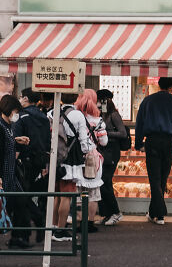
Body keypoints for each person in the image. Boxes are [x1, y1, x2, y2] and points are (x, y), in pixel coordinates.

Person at [52, 91, 107, 239]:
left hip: (55, 158)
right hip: (71, 160)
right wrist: (87, 151)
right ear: (75, 98)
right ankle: (60, 231)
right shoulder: (77, 116)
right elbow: (84, 141)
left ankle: (53, 226)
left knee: (55, 195)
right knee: (66, 195)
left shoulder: (53, 112)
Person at [134, 76, 172, 225]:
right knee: (163, 177)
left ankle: (157, 213)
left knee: (154, 178)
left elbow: (139, 123)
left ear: (159, 85)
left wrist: (139, 143)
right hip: (169, 142)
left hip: (152, 141)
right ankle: (159, 214)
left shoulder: (148, 101)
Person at [0, 93, 32, 250]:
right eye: (15, 111)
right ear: (8, 109)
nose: (16, 115)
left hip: (10, 175)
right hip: (3, 176)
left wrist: (18, 140)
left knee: (15, 204)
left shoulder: (7, 127)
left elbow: (6, 146)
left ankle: (16, 237)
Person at [15, 87, 52, 241]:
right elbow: (47, 140)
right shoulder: (43, 117)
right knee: (26, 193)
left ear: (26, 99)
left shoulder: (21, 116)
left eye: (21, 97)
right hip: (39, 160)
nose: (19, 99)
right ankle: (29, 228)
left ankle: (35, 222)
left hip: (24, 160)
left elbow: (17, 140)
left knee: (21, 195)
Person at [96, 89, 129, 226]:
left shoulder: (114, 115)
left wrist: (105, 133)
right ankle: (107, 214)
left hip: (111, 151)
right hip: (102, 151)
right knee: (103, 183)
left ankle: (115, 212)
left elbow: (122, 133)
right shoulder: (101, 114)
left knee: (104, 181)